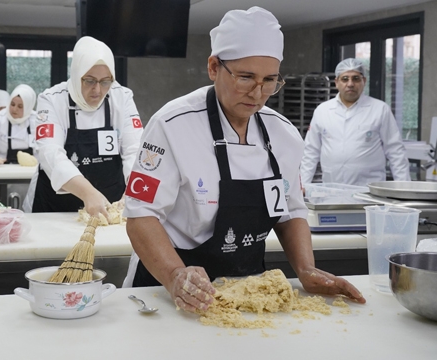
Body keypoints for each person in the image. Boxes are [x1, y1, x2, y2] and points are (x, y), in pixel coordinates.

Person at [121, 7, 366, 314]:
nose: (258, 93)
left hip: (245, 290)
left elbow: (290, 211)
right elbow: (140, 215)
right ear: (213, 67)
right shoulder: (172, 125)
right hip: (166, 286)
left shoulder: (284, 134)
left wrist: (305, 268)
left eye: (269, 80)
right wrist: (174, 275)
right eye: (245, 77)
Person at [22, 36, 144, 217]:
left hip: (109, 207)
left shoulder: (122, 98)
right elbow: (50, 154)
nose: (97, 90)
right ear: (76, 74)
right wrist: (88, 192)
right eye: (89, 80)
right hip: (55, 208)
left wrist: (135, 191)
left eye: (105, 81)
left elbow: (135, 151)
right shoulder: (53, 99)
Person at [300, 58, 411, 186]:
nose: (350, 84)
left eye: (356, 78)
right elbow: (310, 151)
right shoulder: (322, 111)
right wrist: (301, 185)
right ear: (336, 82)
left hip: (369, 190)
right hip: (331, 189)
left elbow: (395, 151)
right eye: (345, 79)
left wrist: (404, 188)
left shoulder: (380, 109)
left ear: (364, 81)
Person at [0, 84, 38, 166]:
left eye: (20, 106)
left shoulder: (37, 120)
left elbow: (47, 147)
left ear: (29, 107)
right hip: (3, 169)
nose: (14, 109)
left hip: (32, 171)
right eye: (12, 104)